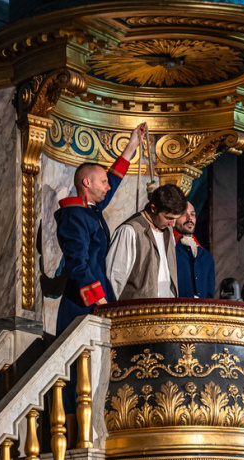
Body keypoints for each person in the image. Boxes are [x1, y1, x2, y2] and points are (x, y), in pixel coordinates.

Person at [54, 122, 147, 335]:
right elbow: (77, 263)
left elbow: (113, 180)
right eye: (103, 182)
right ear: (87, 182)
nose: (108, 187)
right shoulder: (75, 215)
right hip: (83, 303)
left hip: (98, 300)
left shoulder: (90, 210)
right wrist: (100, 300)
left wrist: (132, 145)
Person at [106, 184, 187, 300]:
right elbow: (115, 278)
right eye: (169, 218)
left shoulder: (168, 231)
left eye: (176, 219)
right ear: (153, 209)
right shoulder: (129, 231)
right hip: (137, 311)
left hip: (166, 309)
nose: (173, 224)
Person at [174, 201, 215, 299]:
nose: (190, 218)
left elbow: (210, 297)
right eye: (184, 214)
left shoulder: (206, 257)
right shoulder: (169, 250)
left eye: (193, 214)